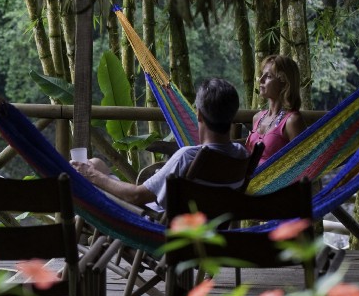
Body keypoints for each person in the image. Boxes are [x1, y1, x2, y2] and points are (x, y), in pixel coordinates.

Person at [72, 78, 248, 209]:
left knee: (86, 171)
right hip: (207, 229)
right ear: (232, 116)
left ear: (199, 115)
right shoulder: (241, 154)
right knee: (96, 164)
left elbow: (135, 197)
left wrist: (92, 175)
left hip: (152, 224)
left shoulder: (188, 156)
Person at [245, 55, 306, 161]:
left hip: (277, 177)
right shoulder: (257, 118)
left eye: (268, 76)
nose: (261, 80)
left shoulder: (292, 121)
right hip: (250, 176)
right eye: (262, 75)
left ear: (284, 82)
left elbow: (301, 164)